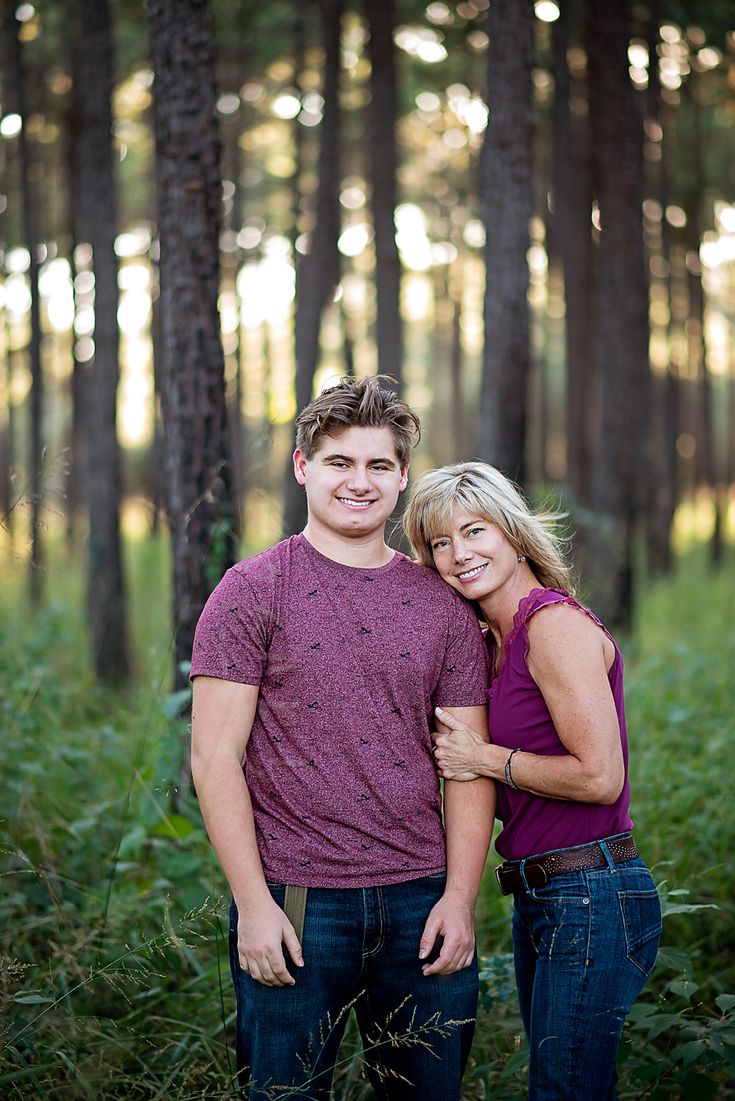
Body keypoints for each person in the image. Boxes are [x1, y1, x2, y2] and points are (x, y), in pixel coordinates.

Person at [189, 379, 494, 1100]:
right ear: (302, 465)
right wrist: (255, 905)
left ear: (402, 477)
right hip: (296, 901)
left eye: (378, 465)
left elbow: (468, 765)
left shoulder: (442, 603)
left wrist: (460, 897)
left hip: (421, 902)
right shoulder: (250, 590)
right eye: (338, 462)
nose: (359, 482)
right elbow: (213, 757)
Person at [404, 460, 662, 1101]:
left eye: (475, 531)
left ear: (514, 533)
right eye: (440, 542)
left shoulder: (552, 626)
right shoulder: (492, 641)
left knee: (565, 1088)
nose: (458, 554)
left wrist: (484, 758)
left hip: (593, 893)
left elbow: (601, 777)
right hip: (543, 896)